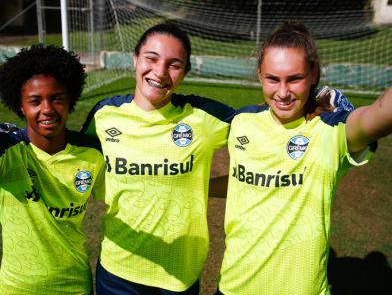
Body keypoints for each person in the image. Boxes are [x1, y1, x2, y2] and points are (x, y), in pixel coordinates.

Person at [81, 22, 353, 295]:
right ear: (135, 59)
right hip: (118, 270)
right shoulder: (103, 115)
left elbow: (262, 120)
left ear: (185, 72)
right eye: (151, 58)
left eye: (174, 64)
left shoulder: (202, 117)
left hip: (178, 275)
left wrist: (313, 99)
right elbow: (72, 162)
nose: (160, 71)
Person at [216, 21, 392, 295]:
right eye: (273, 78)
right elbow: (244, 182)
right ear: (259, 75)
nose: (283, 92)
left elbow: (381, 114)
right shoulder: (242, 121)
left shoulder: (331, 130)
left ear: (313, 75)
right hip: (234, 286)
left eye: (294, 78)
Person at [0, 44, 105, 295]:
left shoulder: (92, 153)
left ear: (70, 102)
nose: (47, 109)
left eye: (57, 99)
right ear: (21, 107)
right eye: (35, 101)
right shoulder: (9, 151)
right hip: (17, 288)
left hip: (74, 286)